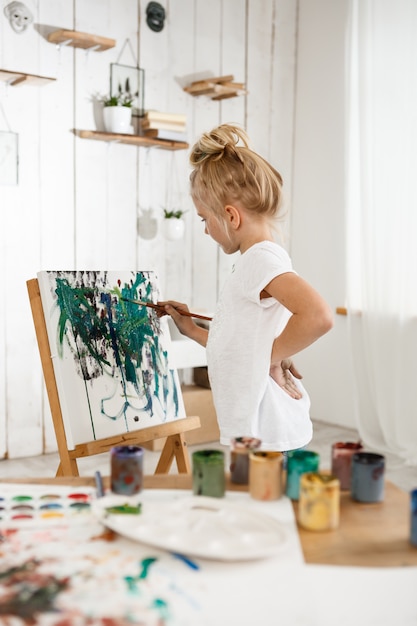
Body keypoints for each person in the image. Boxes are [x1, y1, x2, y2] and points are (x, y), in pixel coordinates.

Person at [159, 124, 333, 451]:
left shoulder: (259, 260)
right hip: (261, 425)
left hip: (266, 424)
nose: (207, 231)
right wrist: (191, 329)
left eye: (203, 219)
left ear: (231, 216)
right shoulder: (259, 260)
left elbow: (319, 315)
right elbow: (238, 348)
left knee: (264, 500)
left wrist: (272, 356)